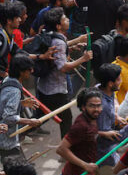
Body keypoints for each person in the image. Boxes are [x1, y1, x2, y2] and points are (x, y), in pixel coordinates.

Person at [50, 88, 103, 175]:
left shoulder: (91, 120)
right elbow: (61, 149)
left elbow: (89, 136)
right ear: (83, 107)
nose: (96, 109)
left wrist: (104, 133)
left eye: (98, 105)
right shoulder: (81, 125)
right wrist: (85, 165)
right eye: (92, 105)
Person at [36, 8, 92, 139]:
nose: (68, 20)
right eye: (65, 19)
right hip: (56, 90)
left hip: (45, 86)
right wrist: (83, 59)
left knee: (42, 116)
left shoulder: (51, 35)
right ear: (58, 26)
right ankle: (65, 151)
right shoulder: (59, 41)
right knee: (65, 119)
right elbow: (63, 68)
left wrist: (71, 47)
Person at [0, 55, 42, 162]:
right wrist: (29, 121)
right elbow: (8, 116)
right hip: (4, 139)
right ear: (21, 72)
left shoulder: (7, 80)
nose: (32, 71)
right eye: (29, 69)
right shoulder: (14, 90)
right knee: (18, 171)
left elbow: (3, 104)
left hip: (1, 136)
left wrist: (20, 103)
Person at [95, 63, 128, 175]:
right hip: (103, 155)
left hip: (107, 152)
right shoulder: (102, 106)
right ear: (110, 83)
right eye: (119, 79)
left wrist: (116, 116)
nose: (121, 82)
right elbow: (108, 138)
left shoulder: (100, 89)